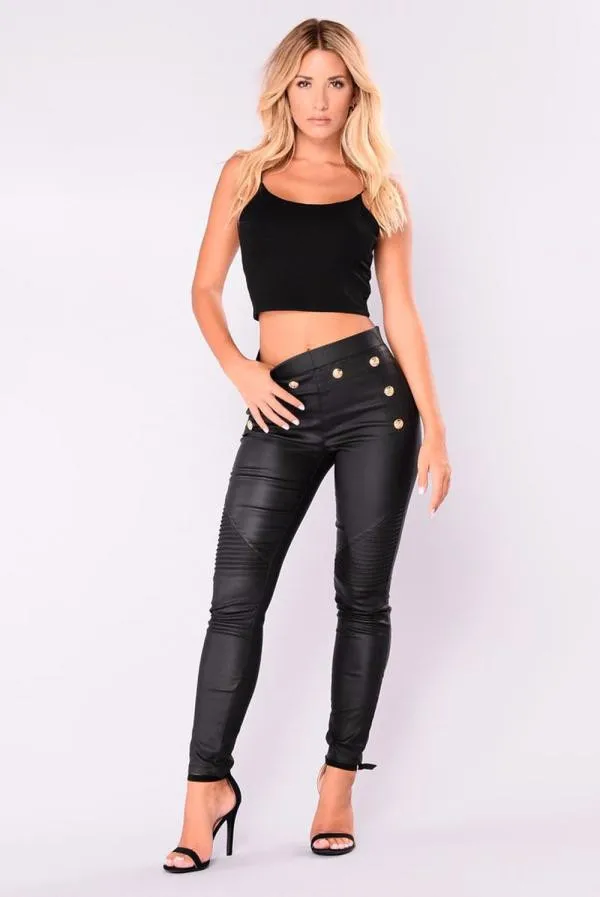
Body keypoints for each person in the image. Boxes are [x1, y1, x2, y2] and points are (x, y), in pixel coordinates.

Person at [163, 17, 451, 874]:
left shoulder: (378, 187)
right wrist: (240, 371)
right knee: (234, 603)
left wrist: (437, 427)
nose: (320, 100)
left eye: (336, 83)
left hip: (374, 404)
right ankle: (204, 790)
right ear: (282, 89)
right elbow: (205, 288)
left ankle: (337, 785)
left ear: (355, 94)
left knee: (362, 600)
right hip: (276, 401)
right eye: (304, 82)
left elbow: (401, 311)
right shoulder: (244, 174)